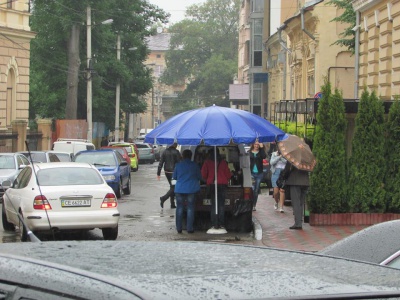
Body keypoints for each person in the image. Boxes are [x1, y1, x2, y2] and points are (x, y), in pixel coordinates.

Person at [172, 149, 202, 234]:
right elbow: (199, 177)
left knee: (179, 208)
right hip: (191, 189)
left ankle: (179, 228)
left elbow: (174, 177)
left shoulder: (178, 165)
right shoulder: (195, 165)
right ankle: (189, 228)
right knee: (190, 208)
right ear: (191, 156)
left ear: (183, 156)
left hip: (179, 189)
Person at [201, 147, 231, 231]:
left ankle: (214, 223)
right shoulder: (223, 162)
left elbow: (203, 175)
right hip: (222, 185)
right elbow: (228, 175)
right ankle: (221, 223)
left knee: (214, 205)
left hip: (212, 185)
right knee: (221, 205)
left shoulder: (207, 162)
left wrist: (208, 179)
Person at [283, 162, 310, 230]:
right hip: (305, 182)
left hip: (295, 181)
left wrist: (284, 177)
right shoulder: (307, 157)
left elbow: (287, 170)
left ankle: (298, 223)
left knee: (296, 203)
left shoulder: (293, 157)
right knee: (301, 203)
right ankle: (299, 221)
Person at [157, 142, 181, 209]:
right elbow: (180, 162)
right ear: (174, 145)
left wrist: (158, 173)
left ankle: (172, 204)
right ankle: (163, 198)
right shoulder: (176, 152)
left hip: (167, 172)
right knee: (173, 187)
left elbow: (161, 163)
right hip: (173, 173)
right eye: (176, 144)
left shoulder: (165, 151)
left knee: (172, 187)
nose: (177, 145)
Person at [248, 141, 266, 211]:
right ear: (253, 145)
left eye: (258, 145)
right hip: (251, 173)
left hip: (259, 173)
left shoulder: (261, 152)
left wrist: (261, 148)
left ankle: (254, 205)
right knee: (252, 189)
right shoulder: (249, 152)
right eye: (255, 144)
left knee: (256, 190)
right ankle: (250, 203)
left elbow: (264, 156)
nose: (256, 146)